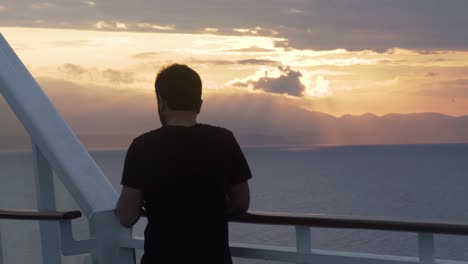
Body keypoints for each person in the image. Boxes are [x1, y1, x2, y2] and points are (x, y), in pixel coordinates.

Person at [115, 64, 252, 264]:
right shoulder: (224, 140)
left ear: (160, 102)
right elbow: (241, 204)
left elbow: (126, 216)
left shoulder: (142, 146)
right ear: (199, 104)